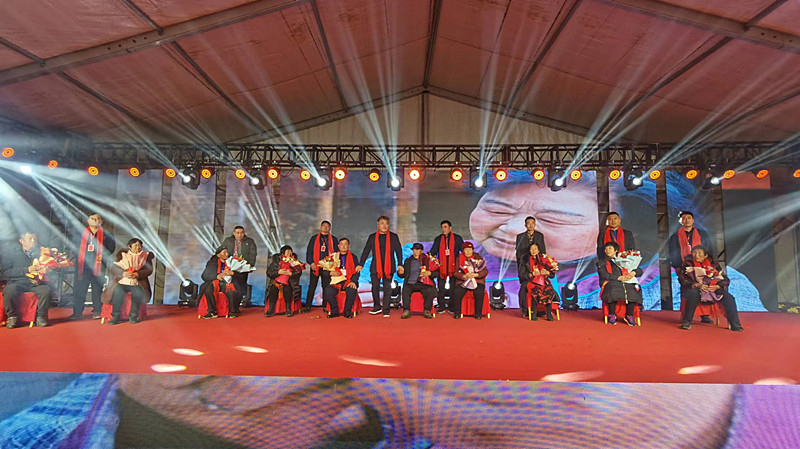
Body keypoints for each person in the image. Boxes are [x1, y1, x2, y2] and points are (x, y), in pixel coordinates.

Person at [677, 245, 744, 331]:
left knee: (729, 298)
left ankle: (735, 325)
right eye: (694, 253)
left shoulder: (714, 265)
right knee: (693, 293)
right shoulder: (687, 264)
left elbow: (725, 279)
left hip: (713, 289)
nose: (696, 255)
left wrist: (717, 286)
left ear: (705, 256)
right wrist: (696, 284)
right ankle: (686, 322)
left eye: (699, 253)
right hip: (696, 288)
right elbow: (682, 278)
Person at [669, 210, 716, 323]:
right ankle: (686, 315)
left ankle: (704, 315)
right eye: (684, 218)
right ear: (680, 221)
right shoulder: (675, 236)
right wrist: (679, 267)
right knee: (687, 290)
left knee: (704, 289)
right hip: (685, 268)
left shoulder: (702, 234)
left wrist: (709, 264)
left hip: (703, 267)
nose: (686, 220)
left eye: (689, 218)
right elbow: (672, 253)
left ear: (693, 220)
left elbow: (709, 249)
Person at [1, 232, 51, 328]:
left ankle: (40, 317)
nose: (33, 241)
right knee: (9, 291)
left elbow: (51, 269)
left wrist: (48, 270)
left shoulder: (42, 252)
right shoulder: (11, 253)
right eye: (30, 238)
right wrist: (27, 270)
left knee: (46, 290)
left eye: (35, 239)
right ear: (21, 241)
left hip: (35, 283)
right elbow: (5, 272)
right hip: (17, 282)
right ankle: (12, 317)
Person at [72, 213, 115, 320]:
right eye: (93, 219)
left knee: (98, 290)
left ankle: (97, 311)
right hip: (83, 267)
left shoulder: (107, 234)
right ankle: (77, 312)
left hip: (99, 266)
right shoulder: (80, 232)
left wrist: (102, 257)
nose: (95, 220)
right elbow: (74, 246)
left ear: (101, 221)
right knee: (79, 290)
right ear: (88, 221)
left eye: (98, 219)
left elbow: (111, 248)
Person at [358, 216, 403, 317]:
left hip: (389, 266)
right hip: (375, 266)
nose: (384, 226)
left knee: (388, 288)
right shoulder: (372, 237)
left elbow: (399, 251)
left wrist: (400, 264)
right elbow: (366, 251)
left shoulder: (393, 237)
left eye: (386, 223)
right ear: (378, 225)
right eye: (382, 223)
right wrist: (361, 264)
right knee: (375, 287)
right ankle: (377, 307)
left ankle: (386, 309)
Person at [104, 238, 154, 325]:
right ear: (129, 247)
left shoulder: (145, 256)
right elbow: (113, 268)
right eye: (135, 246)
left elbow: (149, 270)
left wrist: (137, 274)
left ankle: (133, 316)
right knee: (117, 292)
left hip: (137, 282)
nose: (138, 248)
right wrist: (123, 273)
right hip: (122, 281)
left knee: (138, 292)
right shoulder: (122, 255)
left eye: (139, 246)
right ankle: (115, 316)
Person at [597, 241, 642, 326]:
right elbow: (604, 274)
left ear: (616, 250)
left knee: (632, 290)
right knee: (614, 289)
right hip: (611, 281)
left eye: (610, 248)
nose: (607, 250)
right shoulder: (602, 262)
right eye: (606, 249)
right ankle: (612, 314)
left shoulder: (623, 259)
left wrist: (634, 272)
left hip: (626, 281)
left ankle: (629, 315)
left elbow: (639, 270)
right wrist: (619, 278)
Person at [514, 216, 547, 316]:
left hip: (538, 267)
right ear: (525, 225)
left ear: (535, 224)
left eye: (532, 223)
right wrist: (523, 266)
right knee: (524, 288)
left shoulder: (539, 236)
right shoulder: (520, 237)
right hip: (526, 266)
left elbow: (543, 252)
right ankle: (525, 310)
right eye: (528, 223)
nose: (530, 225)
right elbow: (518, 253)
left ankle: (540, 310)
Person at [429, 220, 463, 314]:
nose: (443, 229)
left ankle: (452, 307)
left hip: (454, 267)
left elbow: (463, 251)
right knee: (441, 288)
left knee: (453, 288)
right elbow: (433, 252)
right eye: (442, 227)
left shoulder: (457, 238)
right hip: (442, 267)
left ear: (450, 228)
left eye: (445, 227)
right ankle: (441, 306)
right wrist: (430, 258)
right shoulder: (438, 239)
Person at [321, 238, 360, 318]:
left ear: (348, 246)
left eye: (345, 244)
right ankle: (334, 311)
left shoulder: (353, 257)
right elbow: (323, 271)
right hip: (336, 281)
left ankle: (347, 312)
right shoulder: (332, 257)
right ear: (338, 246)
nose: (343, 246)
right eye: (341, 244)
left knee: (351, 290)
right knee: (328, 290)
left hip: (349, 280)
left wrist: (353, 281)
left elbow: (357, 271)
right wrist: (330, 273)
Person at [518, 242, 558, 321]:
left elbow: (552, 275)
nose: (533, 251)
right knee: (535, 290)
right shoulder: (525, 260)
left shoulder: (544, 259)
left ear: (538, 251)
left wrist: (547, 272)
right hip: (531, 282)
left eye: (535, 249)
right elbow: (522, 274)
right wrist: (531, 274)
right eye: (532, 249)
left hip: (543, 282)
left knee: (549, 290)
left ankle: (548, 312)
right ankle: (534, 312)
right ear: (529, 250)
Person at [221, 225, 257, 310]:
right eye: (237, 233)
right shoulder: (228, 240)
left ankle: (236, 306)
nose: (240, 235)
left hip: (242, 267)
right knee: (229, 285)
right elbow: (222, 251)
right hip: (230, 266)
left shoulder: (250, 241)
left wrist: (250, 265)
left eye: (241, 233)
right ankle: (227, 305)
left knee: (241, 286)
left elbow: (253, 254)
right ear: (234, 233)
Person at [305, 221, 338, 313]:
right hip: (315, 266)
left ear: (330, 228)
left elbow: (336, 253)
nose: (325, 228)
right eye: (324, 226)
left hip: (327, 267)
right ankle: (307, 306)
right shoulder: (314, 238)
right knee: (312, 286)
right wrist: (311, 263)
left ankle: (325, 306)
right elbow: (309, 252)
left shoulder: (334, 239)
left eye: (327, 226)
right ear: (321, 227)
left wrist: (332, 265)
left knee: (326, 287)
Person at [398, 243, 437, 319]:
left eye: (417, 250)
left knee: (429, 290)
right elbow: (403, 274)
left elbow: (437, 273)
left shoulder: (427, 260)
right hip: (410, 283)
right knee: (405, 289)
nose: (415, 252)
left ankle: (427, 310)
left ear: (421, 251)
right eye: (414, 250)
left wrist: (430, 273)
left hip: (423, 283)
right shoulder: (408, 261)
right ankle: (406, 310)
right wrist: (400, 272)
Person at [451, 241, 488, 320]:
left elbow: (485, 271)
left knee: (479, 292)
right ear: (463, 250)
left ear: (473, 250)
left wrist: (476, 275)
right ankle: (457, 313)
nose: (468, 251)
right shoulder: (459, 258)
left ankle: (478, 314)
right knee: (457, 291)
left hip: (477, 281)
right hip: (463, 281)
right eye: (466, 249)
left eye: (470, 249)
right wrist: (463, 276)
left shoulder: (478, 258)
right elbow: (455, 272)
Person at [198, 246, 238, 319]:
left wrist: (232, 273)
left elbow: (239, 275)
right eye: (224, 252)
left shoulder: (232, 262)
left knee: (231, 290)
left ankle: (232, 311)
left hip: (227, 283)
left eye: (227, 252)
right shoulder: (212, 263)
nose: (227, 254)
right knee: (208, 290)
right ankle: (212, 312)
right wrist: (216, 277)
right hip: (215, 282)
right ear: (218, 255)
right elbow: (204, 276)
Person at [265, 245, 304, 317]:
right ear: (283, 253)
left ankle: (288, 309)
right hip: (277, 281)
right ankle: (271, 309)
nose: (289, 252)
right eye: (287, 251)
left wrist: (291, 274)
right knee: (273, 289)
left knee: (287, 289)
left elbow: (299, 272)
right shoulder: (276, 261)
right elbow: (269, 272)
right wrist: (278, 272)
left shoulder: (295, 261)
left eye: (290, 251)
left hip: (289, 282)